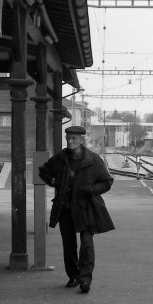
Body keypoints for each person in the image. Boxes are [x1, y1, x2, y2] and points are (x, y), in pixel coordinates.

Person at [38, 125, 115, 294]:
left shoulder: (94, 160)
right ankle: (74, 276)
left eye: (73, 138)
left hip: (86, 208)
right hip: (65, 208)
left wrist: (91, 190)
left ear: (82, 140)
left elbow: (107, 182)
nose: (70, 141)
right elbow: (43, 171)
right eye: (68, 138)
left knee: (87, 244)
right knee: (69, 244)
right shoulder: (60, 158)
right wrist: (54, 181)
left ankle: (85, 279)